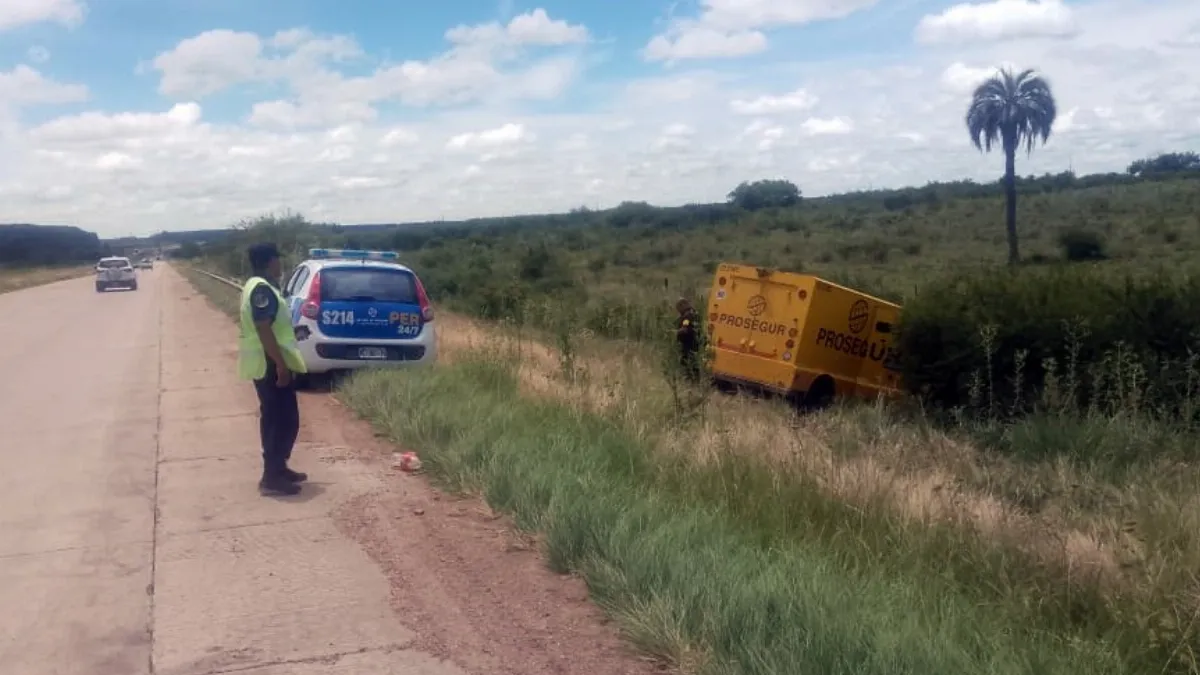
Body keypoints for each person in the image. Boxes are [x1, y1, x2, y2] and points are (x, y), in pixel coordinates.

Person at [237, 243, 309, 496]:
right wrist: (280, 364)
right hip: (269, 363)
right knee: (280, 420)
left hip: (269, 360)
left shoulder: (257, 285)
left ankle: (278, 468)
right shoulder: (261, 289)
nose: (280, 264)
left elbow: (273, 326)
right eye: (277, 259)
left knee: (282, 418)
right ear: (270, 261)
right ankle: (271, 476)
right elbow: (263, 327)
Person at [675, 297, 701, 382]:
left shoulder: (687, 316)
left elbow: (684, 329)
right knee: (694, 363)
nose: (679, 311)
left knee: (687, 363)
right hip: (696, 343)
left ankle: (690, 380)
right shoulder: (695, 313)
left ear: (683, 306)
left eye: (679, 308)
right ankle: (695, 380)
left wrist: (675, 332)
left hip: (688, 344)